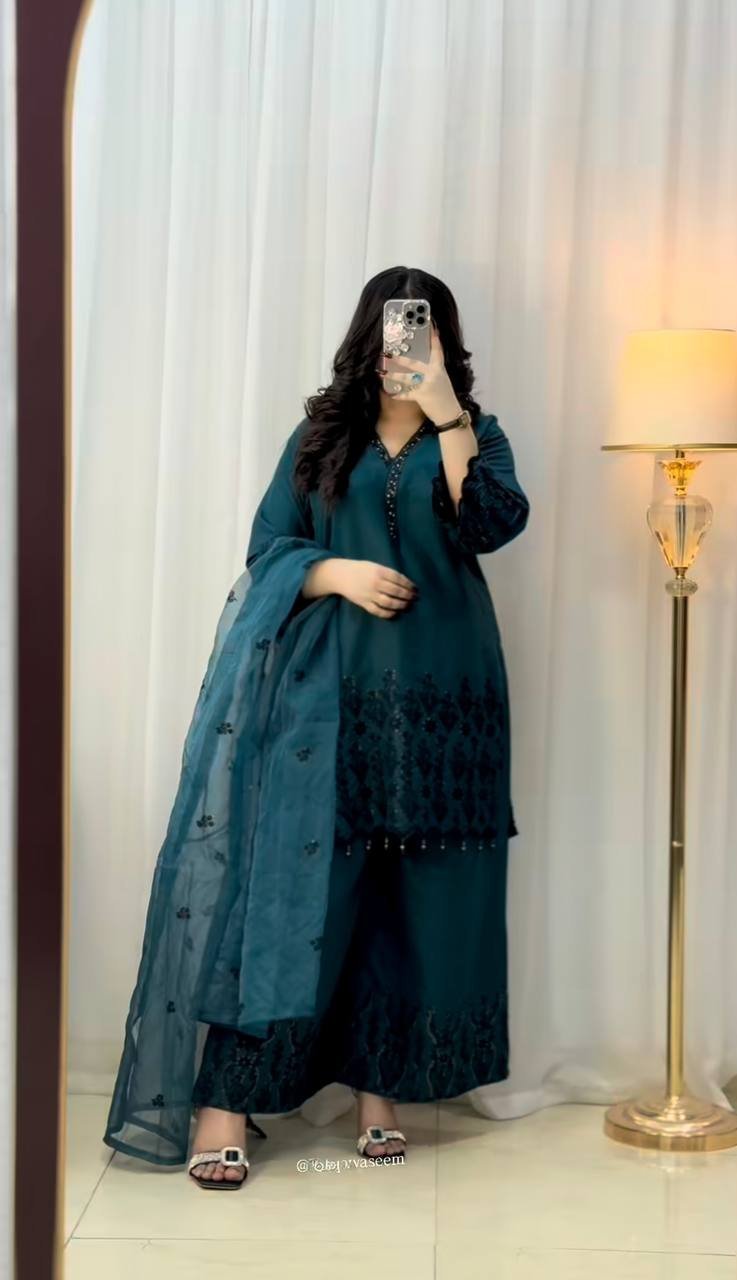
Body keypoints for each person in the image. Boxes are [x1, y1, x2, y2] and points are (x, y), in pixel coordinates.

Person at [102, 265, 530, 1188]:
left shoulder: (476, 434)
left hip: (447, 703)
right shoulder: (322, 437)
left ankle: (381, 1093)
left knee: (414, 897)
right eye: (392, 328)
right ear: (367, 335)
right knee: (294, 892)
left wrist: (449, 417)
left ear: (443, 341)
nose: (403, 344)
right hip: (329, 698)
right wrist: (334, 573)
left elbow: (491, 527)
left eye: (420, 330)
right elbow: (267, 551)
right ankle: (227, 1101)